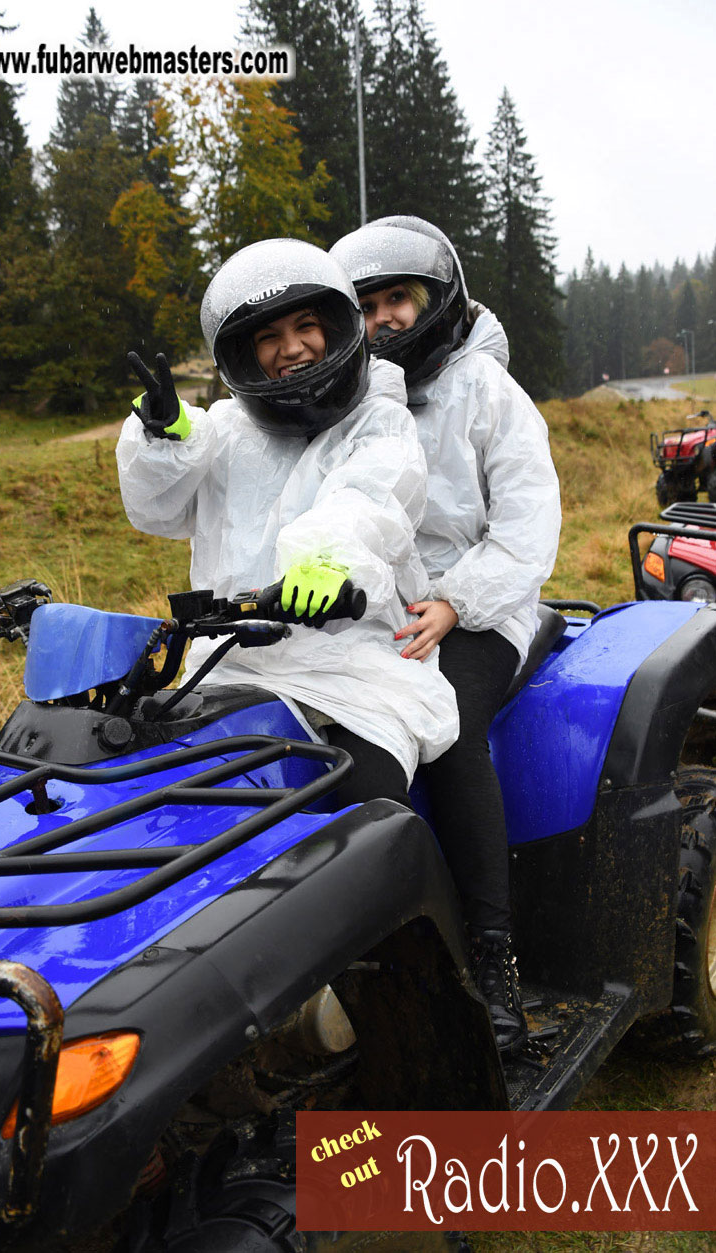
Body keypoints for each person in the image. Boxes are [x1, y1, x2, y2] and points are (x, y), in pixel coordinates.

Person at [116, 237, 459, 809]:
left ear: (335, 326)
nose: (292, 348)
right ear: (245, 357)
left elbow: (368, 499)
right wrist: (163, 439)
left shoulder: (380, 422)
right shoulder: (224, 430)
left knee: (362, 807)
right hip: (230, 666)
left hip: (354, 666)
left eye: (305, 327)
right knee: (163, 801)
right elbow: (159, 512)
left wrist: (327, 561)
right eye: (268, 337)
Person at [331, 216, 561, 1054]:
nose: (385, 317)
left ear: (439, 302)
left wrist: (457, 602)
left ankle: (494, 962)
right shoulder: (348, 399)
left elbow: (529, 528)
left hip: (484, 608)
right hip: (384, 610)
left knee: (450, 732)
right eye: (366, 305)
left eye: (400, 298)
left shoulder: (490, 394)